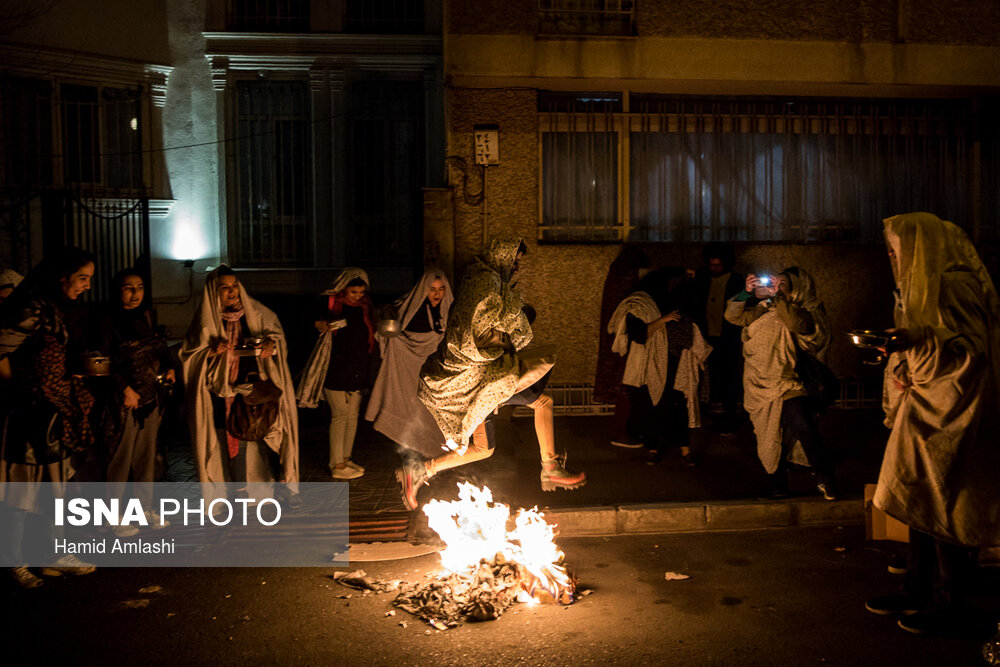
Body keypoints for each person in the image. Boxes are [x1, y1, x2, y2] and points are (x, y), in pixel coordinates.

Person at [864, 213, 1000, 635]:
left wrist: (918, 341)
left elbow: (971, 353)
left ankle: (949, 600)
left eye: (897, 248)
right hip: (924, 404)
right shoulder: (918, 288)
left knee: (945, 499)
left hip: (953, 410)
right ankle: (916, 587)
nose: (891, 256)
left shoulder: (954, 284)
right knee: (919, 494)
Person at [396, 236, 586, 510]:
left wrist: (513, 323)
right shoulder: (485, 282)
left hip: (476, 375)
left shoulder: (483, 278)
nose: (517, 268)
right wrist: (510, 331)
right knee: (543, 386)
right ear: (504, 257)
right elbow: (479, 330)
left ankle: (420, 471)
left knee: (484, 448)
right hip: (470, 378)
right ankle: (550, 467)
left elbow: (490, 320)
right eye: (516, 262)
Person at [0, 248, 98, 588]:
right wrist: (18, 386)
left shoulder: (57, 309)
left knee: (55, 490)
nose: (86, 286)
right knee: (20, 493)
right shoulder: (30, 307)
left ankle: (52, 554)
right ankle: (14, 561)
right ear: (62, 277)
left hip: (55, 411)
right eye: (82, 278)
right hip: (29, 413)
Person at [179, 266, 298, 495]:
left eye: (235, 286)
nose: (232, 292)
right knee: (226, 438)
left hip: (254, 390)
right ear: (214, 292)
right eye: (225, 288)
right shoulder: (205, 321)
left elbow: (277, 340)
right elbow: (190, 356)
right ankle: (231, 492)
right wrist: (212, 353)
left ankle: (262, 489)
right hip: (220, 394)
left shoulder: (257, 313)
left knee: (257, 437)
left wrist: (270, 345)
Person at [724, 266, 838, 500]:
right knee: (768, 438)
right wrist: (745, 293)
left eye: (783, 284)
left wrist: (779, 298)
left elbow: (798, 324)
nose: (777, 286)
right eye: (775, 283)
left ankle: (826, 479)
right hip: (758, 384)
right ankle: (776, 487)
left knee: (804, 427)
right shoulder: (760, 311)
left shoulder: (801, 310)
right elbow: (733, 316)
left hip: (787, 382)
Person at [93, 268, 175, 536]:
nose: (136, 293)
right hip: (122, 400)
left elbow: (157, 349)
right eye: (129, 288)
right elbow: (102, 361)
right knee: (119, 457)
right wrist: (124, 388)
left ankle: (143, 508)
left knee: (145, 457)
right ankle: (112, 515)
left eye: (139, 287)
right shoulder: (105, 320)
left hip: (149, 397)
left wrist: (169, 367)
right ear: (117, 290)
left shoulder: (145, 317)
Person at [608, 268, 711, 466]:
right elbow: (638, 334)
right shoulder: (639, 303)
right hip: (649, 364)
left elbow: (687, 328)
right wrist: (663, 320)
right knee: (651, 407)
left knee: (678, 404)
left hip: (675, 363)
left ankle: (684, 450)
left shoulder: (675, 301)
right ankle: (653, 449)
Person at [296, 268, 379, 480]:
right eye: (354, 292)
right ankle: (336, 463)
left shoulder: (365, 307)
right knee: (340, 416)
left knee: (352, 417)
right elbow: (307, 323)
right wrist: (320, 325)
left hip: (358, 369)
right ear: (344, 288)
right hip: (335, 369)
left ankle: (346, 458)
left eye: (361, 292)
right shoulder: (330, 303)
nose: (358, 296)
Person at [364, 269, 453, 455]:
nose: (437, 294)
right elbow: (401, 333)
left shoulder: (447, 311)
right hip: (412, 371)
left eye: (441, 289)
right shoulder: (414, 311)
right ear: (424, 290)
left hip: (437, 373)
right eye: (432, 289)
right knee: (413, 405)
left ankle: (439, 454)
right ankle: (416, 452)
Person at [594, 246, 650, 449]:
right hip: (624, 343)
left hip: (616, 341)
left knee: (624, 385)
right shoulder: (628, 282)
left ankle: (624, 431)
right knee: (626, 385)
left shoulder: (617, 275)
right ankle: (621, 432)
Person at [687, 242, 745, 434]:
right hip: (705, 335)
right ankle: (706, 412)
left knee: (729, 376)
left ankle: (729, 416)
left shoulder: (736, 281)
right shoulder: (702, 276)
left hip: (728, 337)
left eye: (718, 265)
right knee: (705, 375)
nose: (714, 269)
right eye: (711, 265)